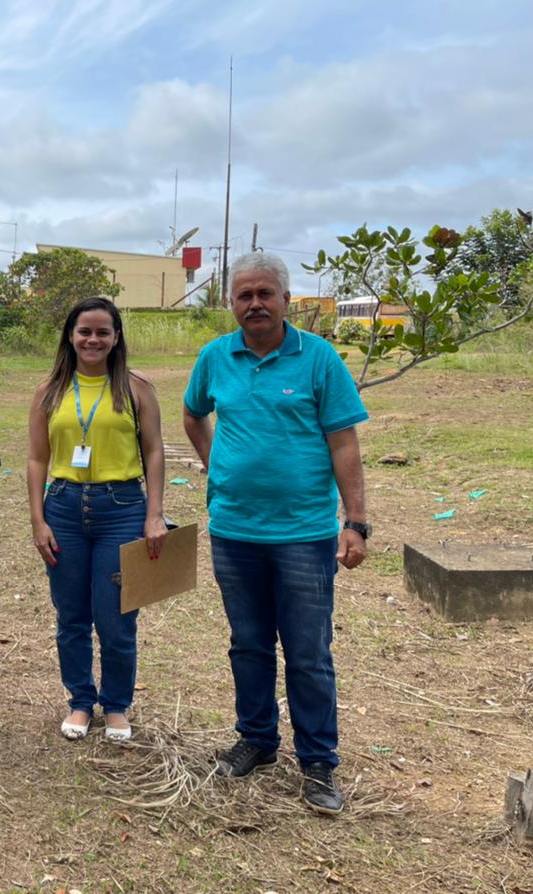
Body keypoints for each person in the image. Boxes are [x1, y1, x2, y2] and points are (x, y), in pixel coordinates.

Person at [183, 252, 369, 815]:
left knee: (309, 652)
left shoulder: (319, 359)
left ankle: (317, 761)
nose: (255, 304)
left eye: (266, 294)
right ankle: (258, 740)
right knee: (249, 643)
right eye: (244, 295)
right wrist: (216, 465)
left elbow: (344, 444)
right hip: (234, 531)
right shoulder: (216, 356)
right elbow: (194, 415)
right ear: (231, 302)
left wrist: (355, 522)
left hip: (303, 535)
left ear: (286, 300)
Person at [26, 297, 168, 742]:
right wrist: (38, 521)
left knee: (117, 617)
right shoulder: (50, 390)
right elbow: (35, 460)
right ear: (70, 336)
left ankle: (117, 705)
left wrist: (155, 515)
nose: (93, 339)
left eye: (102, 332)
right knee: (71, 616)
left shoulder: (136, 387)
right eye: (84, 331)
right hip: (64, 507)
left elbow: (154, 452)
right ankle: (81, 702)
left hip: (121, 509)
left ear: (116, 337)